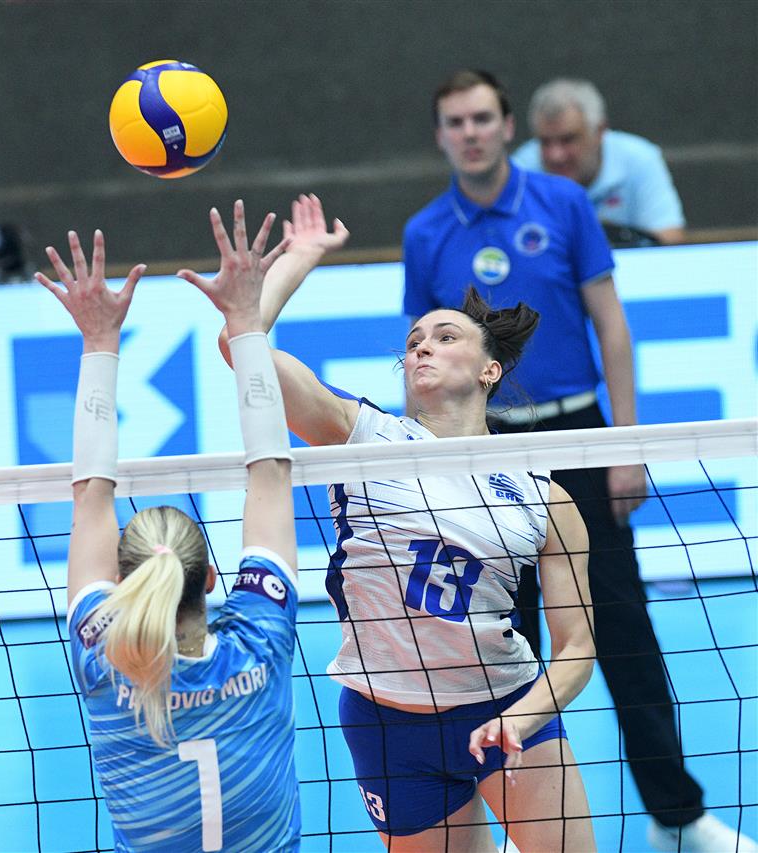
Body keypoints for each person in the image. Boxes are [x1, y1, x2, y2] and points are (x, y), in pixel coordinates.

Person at [403, 69, 756, 853]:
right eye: (456, 121)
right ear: (441, 135)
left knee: (625, 633)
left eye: (482, 118)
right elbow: (421, 359)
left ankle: (678, 816)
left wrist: (626, 444)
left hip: (582, 439)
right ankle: (506, 828)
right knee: (493, 648)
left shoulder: (562, 203)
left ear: (505, 127)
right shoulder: (425, 233)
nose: (470, 132)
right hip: (482, 451)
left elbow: (611, 325)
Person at [233, 194, 597, 850]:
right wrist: (301, 259)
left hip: (505, 705)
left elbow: (577, 647)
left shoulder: (544, 496)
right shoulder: (363, 436)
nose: (423, 345)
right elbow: (241, 348)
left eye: (446, 336)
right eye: (414, 341)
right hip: (386, 723)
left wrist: (524, 718)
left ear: (489, 370)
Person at [39, 202, 301, 851]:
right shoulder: (260, 642)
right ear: (211, 577)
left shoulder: (104, 657)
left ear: (122, 580)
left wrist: (99, 341)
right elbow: (273, 473)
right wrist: (246, 320)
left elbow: (89, 497)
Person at [514, 78, 686, 246]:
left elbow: (670, 242)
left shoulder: (639, 159)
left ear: (600, 131)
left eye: (568, 140)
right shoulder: (521, 170)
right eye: (544, 142)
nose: (556, 155)